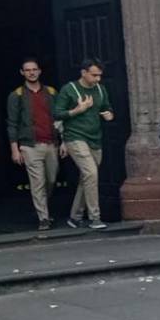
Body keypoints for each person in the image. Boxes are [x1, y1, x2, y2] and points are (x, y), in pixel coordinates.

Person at [54, 57, 115, 229]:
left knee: (87, 177)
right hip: (75, 137)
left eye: (99, 75)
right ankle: (95, 217)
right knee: (91, 174)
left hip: (94, 138)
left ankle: (75, 217)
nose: (98, 79)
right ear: (83, 73)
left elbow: (107, 107)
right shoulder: (69, 89)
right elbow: (57, 113)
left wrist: (109, 114)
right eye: (94, 75)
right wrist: (77, 110)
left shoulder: (100, 90)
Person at [5, 59, 59, 230]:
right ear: (22, 73)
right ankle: (43, 217)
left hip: (51, 143)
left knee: (51, 179)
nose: (32, 73)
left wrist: (63, 141)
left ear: (40, 71)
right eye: (28, 70)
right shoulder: (17, 95)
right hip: (30, 145)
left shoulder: (51, 92)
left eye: (34, 69)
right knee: (37, 182)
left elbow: (59, 118)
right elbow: (12, 123)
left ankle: (43, 207)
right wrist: (15, 149)